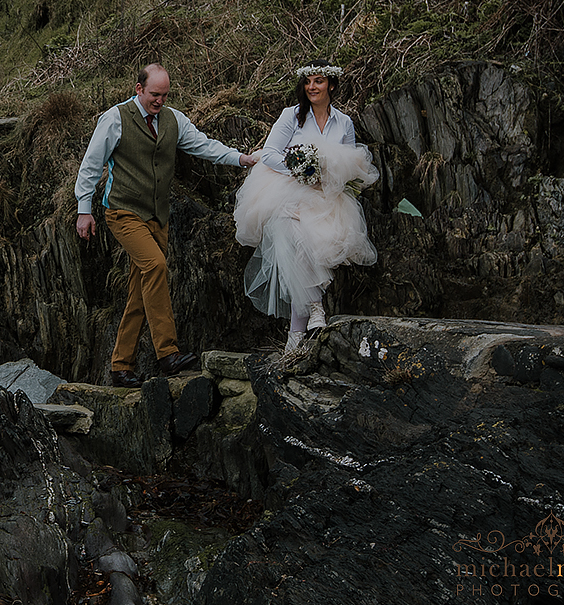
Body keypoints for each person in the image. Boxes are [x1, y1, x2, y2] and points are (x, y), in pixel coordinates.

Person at [75, 64, 258, 387]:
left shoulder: (174, 120)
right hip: (123, 212)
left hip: (157, 216)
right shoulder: (115, 118)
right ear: (138, 89)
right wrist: (83, 209)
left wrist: (240, 158)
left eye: (164, 95)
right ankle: (168, 353)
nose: (159, 101)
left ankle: (120, 366)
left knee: (139, 290)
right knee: (156, 266)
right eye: (154, 95)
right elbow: (92, 164)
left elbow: (204, 146)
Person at [233, 60, 379, 354]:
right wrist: (300, 170)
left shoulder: (344, 123)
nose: (312, 87)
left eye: (319, 81)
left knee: (308, 246)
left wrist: (328, 177)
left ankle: (295, 335)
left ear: (332, 86)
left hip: (327, 197)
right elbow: (270, 154)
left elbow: (352, 165)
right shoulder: (292, 117)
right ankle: (314, 307)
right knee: (293, 233)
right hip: (288, 191)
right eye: (308, 82)